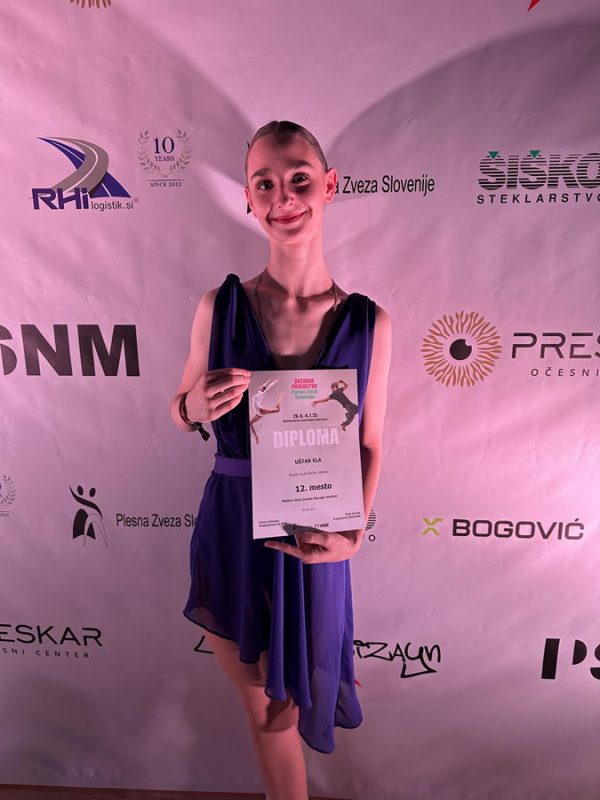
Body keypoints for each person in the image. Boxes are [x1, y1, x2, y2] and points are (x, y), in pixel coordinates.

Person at [170, 120, 391, 800]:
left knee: (289, 706)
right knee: (265, 712)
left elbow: (370, 442)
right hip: (234, 529)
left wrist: (354, 533)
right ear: (248, 198)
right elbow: (181, 407)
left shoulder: (369, 322)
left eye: (299, 179)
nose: (283, 196)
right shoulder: (220, 305)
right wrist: (195, 405)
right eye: (264, 183)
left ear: (329, 186)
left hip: (316, 532)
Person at [250, 377, 283, 444]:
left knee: (277, 410)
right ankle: (256, 436)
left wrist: (275, 381)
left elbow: (268, 387)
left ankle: (280, 397)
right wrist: (268, 380)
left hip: (260, 410)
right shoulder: (259, 392)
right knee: (250, 423)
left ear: (262, 389)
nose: (260, 387)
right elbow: (264, 385)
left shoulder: (262, 393)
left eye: (261, 387)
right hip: (258, 414)